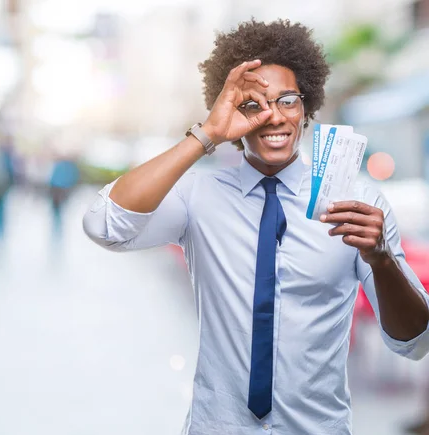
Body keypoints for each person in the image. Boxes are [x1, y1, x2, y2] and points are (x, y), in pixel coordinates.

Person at [82, 19, 429, 435]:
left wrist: (382, 260)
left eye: (287, 100)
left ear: (306, 109)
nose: (273, 117)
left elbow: (415, 342)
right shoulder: (198, 197)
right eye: (252, 105)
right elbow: (104, 225)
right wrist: (206, 134)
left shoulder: (359, 204)